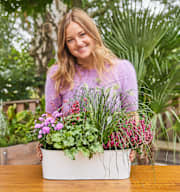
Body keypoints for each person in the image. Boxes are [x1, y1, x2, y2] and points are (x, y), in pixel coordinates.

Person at [44, 8, 138, 162]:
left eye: (82, 34)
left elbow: (130, 114)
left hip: (112, 158)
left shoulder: (122, 69)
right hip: (71, 159)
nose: (78, 43)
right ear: (65, 44)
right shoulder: (57, 74)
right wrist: (46, 144)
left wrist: (131, 144)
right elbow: (50, 117)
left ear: (93, 33)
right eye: (70, 40)